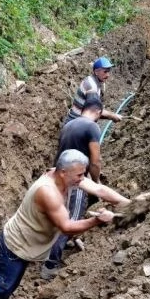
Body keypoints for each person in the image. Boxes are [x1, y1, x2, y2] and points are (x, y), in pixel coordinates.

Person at [0, 149, 131, 299]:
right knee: (1, 286)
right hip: (16, 244)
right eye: (79, 175)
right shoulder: (48, 191)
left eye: (83, 174)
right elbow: (66, 227)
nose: (82, 179)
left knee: (9, 286)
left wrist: (130, 205)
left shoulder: (69, 177)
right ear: (62, 172)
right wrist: (97, 220)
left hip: (29, 244)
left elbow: (100, 191)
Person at [42, 94, 105, 280]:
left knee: (61, 215)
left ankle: (54, 245)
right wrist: (96, 182)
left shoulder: (70, 124)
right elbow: (95, 161)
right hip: (75, 180)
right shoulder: (93, 127)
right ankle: (50, 265)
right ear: (99, 112)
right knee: (71, 219)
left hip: (60, 176)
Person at [66, 56, 123, 125]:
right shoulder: (91, 86)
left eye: (108, 72)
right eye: (105, 72)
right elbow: (94, 111)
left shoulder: (94, 82)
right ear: (96, 72)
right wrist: (112, 116)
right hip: (75, 124)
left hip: (75, 123)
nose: (108, 75)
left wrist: (112, 116)